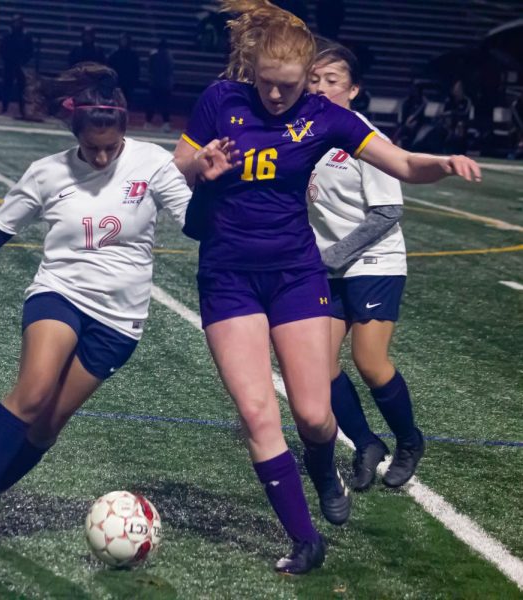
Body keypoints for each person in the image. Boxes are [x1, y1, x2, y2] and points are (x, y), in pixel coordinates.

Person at [174, 0, 480, 575]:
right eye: (266, 83)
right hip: (227, 274)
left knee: (315, 417)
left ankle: (322, 467)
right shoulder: (221, 100)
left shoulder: (327, 116)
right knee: (258, 412)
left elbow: (405, 165)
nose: (274, 96)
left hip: (296, 273)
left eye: (287, 87)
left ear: (307, 74)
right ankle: (304, 538)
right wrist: (201, 167)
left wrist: (442, 162)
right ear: (252, 67)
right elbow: (179, 166)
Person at [0, 64, 236, 551]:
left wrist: (212, 184)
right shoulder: (48, 172)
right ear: (74, 132)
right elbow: (0, 227)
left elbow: (196, 226)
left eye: (110, 147)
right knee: (31, 394)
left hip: (121, 317)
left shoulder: (153, 163)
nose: (100, 156)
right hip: (60, 292)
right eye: (91, 147)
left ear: (124, 132)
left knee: (49, 423)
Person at [306, 42, 424, 492]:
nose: (320, 88)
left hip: (374, 261)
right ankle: (366, 441)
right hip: (329, 269)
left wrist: (332, 255)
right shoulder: (307, 136)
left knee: (369, 362)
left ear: (353, 90)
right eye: (314, 80)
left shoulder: (364, 138)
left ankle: (410, 442)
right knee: (318, 364)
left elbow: (387, 212)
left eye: (332, 81)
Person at [0, 15, 34, 118]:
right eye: (14, 22)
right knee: (7, 86)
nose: (16, 24)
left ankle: (22, 109)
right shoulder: (8, 35)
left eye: (18, 22)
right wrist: (6, 59)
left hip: (20, 64)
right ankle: (4, 107)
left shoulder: (26, 36)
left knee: (21, 88)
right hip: (9, 63)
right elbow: (2, 48)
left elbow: (29, 50)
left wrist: (23, 61)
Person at [145, 38, 175, 132]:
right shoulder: (168, 56)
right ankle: (165, 124)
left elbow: (150, 68)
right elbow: (170, 70)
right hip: (164, 85)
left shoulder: (155, 55)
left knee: (152, 104)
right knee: (164, 105)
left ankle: (148, 122)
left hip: (156, 83)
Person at [440, 79, 473, 154]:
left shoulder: (466, 101)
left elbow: (465, 113)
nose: (456, 90)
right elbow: (443, 113)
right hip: (449, 124)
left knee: (460, 125)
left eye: (458, 88)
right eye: (455, 88)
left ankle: (459, 150)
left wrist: (452, 113)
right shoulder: (449, 101)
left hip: (462, 123)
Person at [392, 81, 428, 149]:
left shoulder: (423, 101)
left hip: (418, 121)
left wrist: (411, 119)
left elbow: (417, 113)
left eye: (415, 89)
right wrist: (403, 121)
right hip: (406, 122)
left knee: (412, 129)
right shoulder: (407, 100)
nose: (413, 91)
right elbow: (402, 113)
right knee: (397, 134)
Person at [108, 33, 140, 107]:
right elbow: (110, 67)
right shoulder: (114, 54)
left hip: (128, 83)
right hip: (117, 82)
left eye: (125, 40)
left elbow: (136, 69)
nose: (123, 42)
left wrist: (134, 80)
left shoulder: (133, 55)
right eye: (122, 40)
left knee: (127, 103)